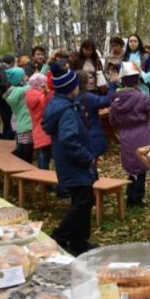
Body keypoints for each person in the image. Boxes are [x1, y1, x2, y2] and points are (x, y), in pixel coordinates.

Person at [42, 66, 97, 255]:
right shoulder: (65, 110)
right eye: (76, 86)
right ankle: (59, 237)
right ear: (71, 88)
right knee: (83, 201)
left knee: (83, 200)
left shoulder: (62, 104)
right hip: (73, 164)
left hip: (70, 163)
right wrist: (86, 157)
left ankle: (78, 242)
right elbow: (68, 139)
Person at [109, 62, 150, 207]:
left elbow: (112, 120)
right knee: (141, 167)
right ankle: (137, 199)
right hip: (141, 134)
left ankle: (131, 198)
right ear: (137, 80)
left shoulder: (115, 99)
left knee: (132, 166)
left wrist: (120, 130)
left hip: (126, 135)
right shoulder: (141, 97)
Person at [76, 70, 111, 168]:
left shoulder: (70, 97)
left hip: (77, 137)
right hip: (91, 137)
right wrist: (112, 85)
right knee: (90, 166)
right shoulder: (87, 97)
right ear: (86, 82)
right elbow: (107, 100)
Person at [4, 67, 34, 163]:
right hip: (27, 124)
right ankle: (25, 169)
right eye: (24, 75)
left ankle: (19, 165)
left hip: (19, 124)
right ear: (20, 79)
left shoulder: (13, 91)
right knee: (27, 148)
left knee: (21, 144)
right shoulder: (24, 90)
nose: (26, 77)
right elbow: (35, 83)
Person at [25, 72, 54, 169]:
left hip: (37, 127)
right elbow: (50, 104)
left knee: (41, 154)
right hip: (45, 129)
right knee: (45, 155)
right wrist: (48, 92)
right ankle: (44, 179)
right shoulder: (42, 97)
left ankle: (41, 177)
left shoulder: (30, 94)